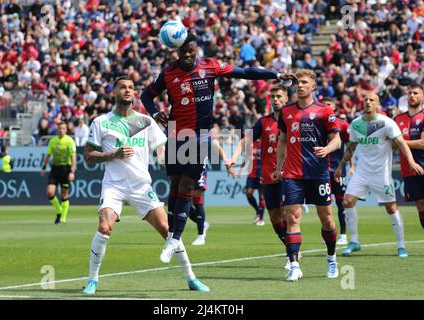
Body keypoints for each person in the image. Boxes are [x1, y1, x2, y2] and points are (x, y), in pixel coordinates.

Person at [141, 32, 296, 264]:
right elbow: (146, 95)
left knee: (186, 185)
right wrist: (154, 113)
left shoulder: (210, 66)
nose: (187, 54)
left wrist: (276, 74)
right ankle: (173, 238)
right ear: (176, 51)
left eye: (191, 50)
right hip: (174, 133)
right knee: (174, 185)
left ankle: (175, 238)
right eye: (183, 51)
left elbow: (244, 72)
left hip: (200, 135)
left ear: (196, 50)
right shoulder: (168, 73)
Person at [82, 76, 209, 294]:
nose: (128, 91)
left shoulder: (146, 121)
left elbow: (162, 152)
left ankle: (191, 278)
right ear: (115, 92)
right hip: (114, 186)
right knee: (104, 227)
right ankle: (92, 280)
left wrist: (185, 162)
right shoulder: (101, 122)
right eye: (123, 87)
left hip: (141, 186)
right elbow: (88, 156)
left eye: (131, 87)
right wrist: (114, 154)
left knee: (168, 231)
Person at [334, 91, 423, 258]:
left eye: (371, 100)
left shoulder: (387, 123)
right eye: (365, 99)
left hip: (381, 174)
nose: (368, 102)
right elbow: (351, 148)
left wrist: (411, 162)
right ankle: (354, 242)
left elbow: (402, 144)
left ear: (377, 104)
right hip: (361, 172)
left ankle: (401, 246)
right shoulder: (356, 124)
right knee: (347, 201)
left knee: (391, 208)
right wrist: (341, 167)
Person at [273, 69, 342, 282]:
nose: (300, 86)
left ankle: (331, 258)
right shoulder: (286, 112)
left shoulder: (324, 111)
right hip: (293, 174)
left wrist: (328, 149)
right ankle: (294, 265)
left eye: (304, 83)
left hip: (318, 173)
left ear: (313, 87)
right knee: (291, 217)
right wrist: (278, 167)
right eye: (298, 83)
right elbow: (282, 140)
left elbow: (337, 140)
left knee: (328, 220)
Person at [230, 84, 291, 267]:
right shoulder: (263, 122)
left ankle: (292, 255)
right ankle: (291, 247)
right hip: (267, 174)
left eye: (279, 96)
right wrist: (234, 156)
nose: (275, 99)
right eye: (273, 96)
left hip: (289, 174)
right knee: (274, 217)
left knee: (288, 214)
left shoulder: (294, 119)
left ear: (286, 98)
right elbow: (246, 140)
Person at [189, 138, 236, 245]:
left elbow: (216, 145)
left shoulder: (202, 130)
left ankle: (200, 236)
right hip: (183, 166)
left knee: (197, 197)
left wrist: (227, 162)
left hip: (198, 167)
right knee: (182, 201)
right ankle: (202, 223)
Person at [321, 98, 352, 245]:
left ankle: (343, 234)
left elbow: (349, 146)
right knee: (324, 204)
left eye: (329, 105)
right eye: (324, 105)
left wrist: (350, 165)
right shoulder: (317, 122)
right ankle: (328, 233)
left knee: (341, 203)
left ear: (334, 107)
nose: (326, 107)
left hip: (338, 170)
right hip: (322, 171)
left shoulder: (342, 124)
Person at [394, 84, 424, 229]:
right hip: (409, 170)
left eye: (416, 93)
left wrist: (400, 142)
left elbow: (423, 143)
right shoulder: (398, 119)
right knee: (420, 205)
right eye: (410, 93)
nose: (412, 96)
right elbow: (392, 144)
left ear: (422, 97)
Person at [40, 121, 77, 225]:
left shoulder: (70, 141)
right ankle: (60, 210)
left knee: (64, 194)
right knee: (50, 192)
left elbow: (73, 157)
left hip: (66, 169)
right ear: (57, 129)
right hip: (55, 169)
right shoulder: (53, 141)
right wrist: (43, 167)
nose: (61, 130)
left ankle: (63, 219)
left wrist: (72, 171)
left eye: (63, 128)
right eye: (60, 128)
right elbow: (48, 155)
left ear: (66, 130)